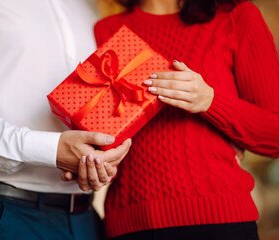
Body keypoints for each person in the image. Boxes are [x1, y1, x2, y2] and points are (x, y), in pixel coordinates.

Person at [0, 0, 132, 239]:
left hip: (85, 217)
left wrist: (101, 153)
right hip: (1, 213)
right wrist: (49, 149)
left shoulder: (89, 6)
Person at [87, 0, 279, 239]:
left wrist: (210, 101)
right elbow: (101, 136)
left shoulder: (236, 16)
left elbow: (274, 136)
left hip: (220, 220)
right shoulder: (105, 29)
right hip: (130, 224)